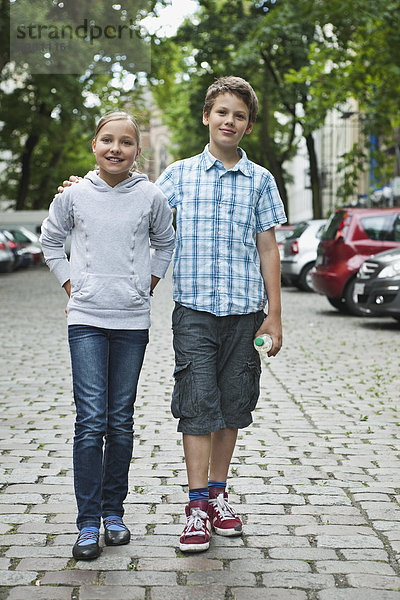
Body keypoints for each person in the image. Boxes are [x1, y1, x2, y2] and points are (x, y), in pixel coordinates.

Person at [58, 76, 287, 553]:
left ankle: (219, 495)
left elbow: (268, 247)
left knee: (231, 407)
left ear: (248, 125)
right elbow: (134, 206)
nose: (229, 121)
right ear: (207, 117)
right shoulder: (179, 176)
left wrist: (275, 315)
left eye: (239, 115)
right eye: (221, 112)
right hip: (194, 314)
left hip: (246, 314)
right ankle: (196, 505)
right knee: (198, 405)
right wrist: (85, 187)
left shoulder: (261, 180)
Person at [40, 111, 175, 560]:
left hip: (132, 321)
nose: (115, 148)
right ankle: (86, 523)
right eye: (107, 140)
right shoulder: (75, 195)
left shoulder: (151, 196)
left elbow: (166, 242)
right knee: (90, 420)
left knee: (119, 420)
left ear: (137, 150)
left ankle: (113, 513)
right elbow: (50, 240)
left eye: (125, 142)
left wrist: (147, 284)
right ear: (94, 145)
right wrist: (70, 285)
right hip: (86, 320)